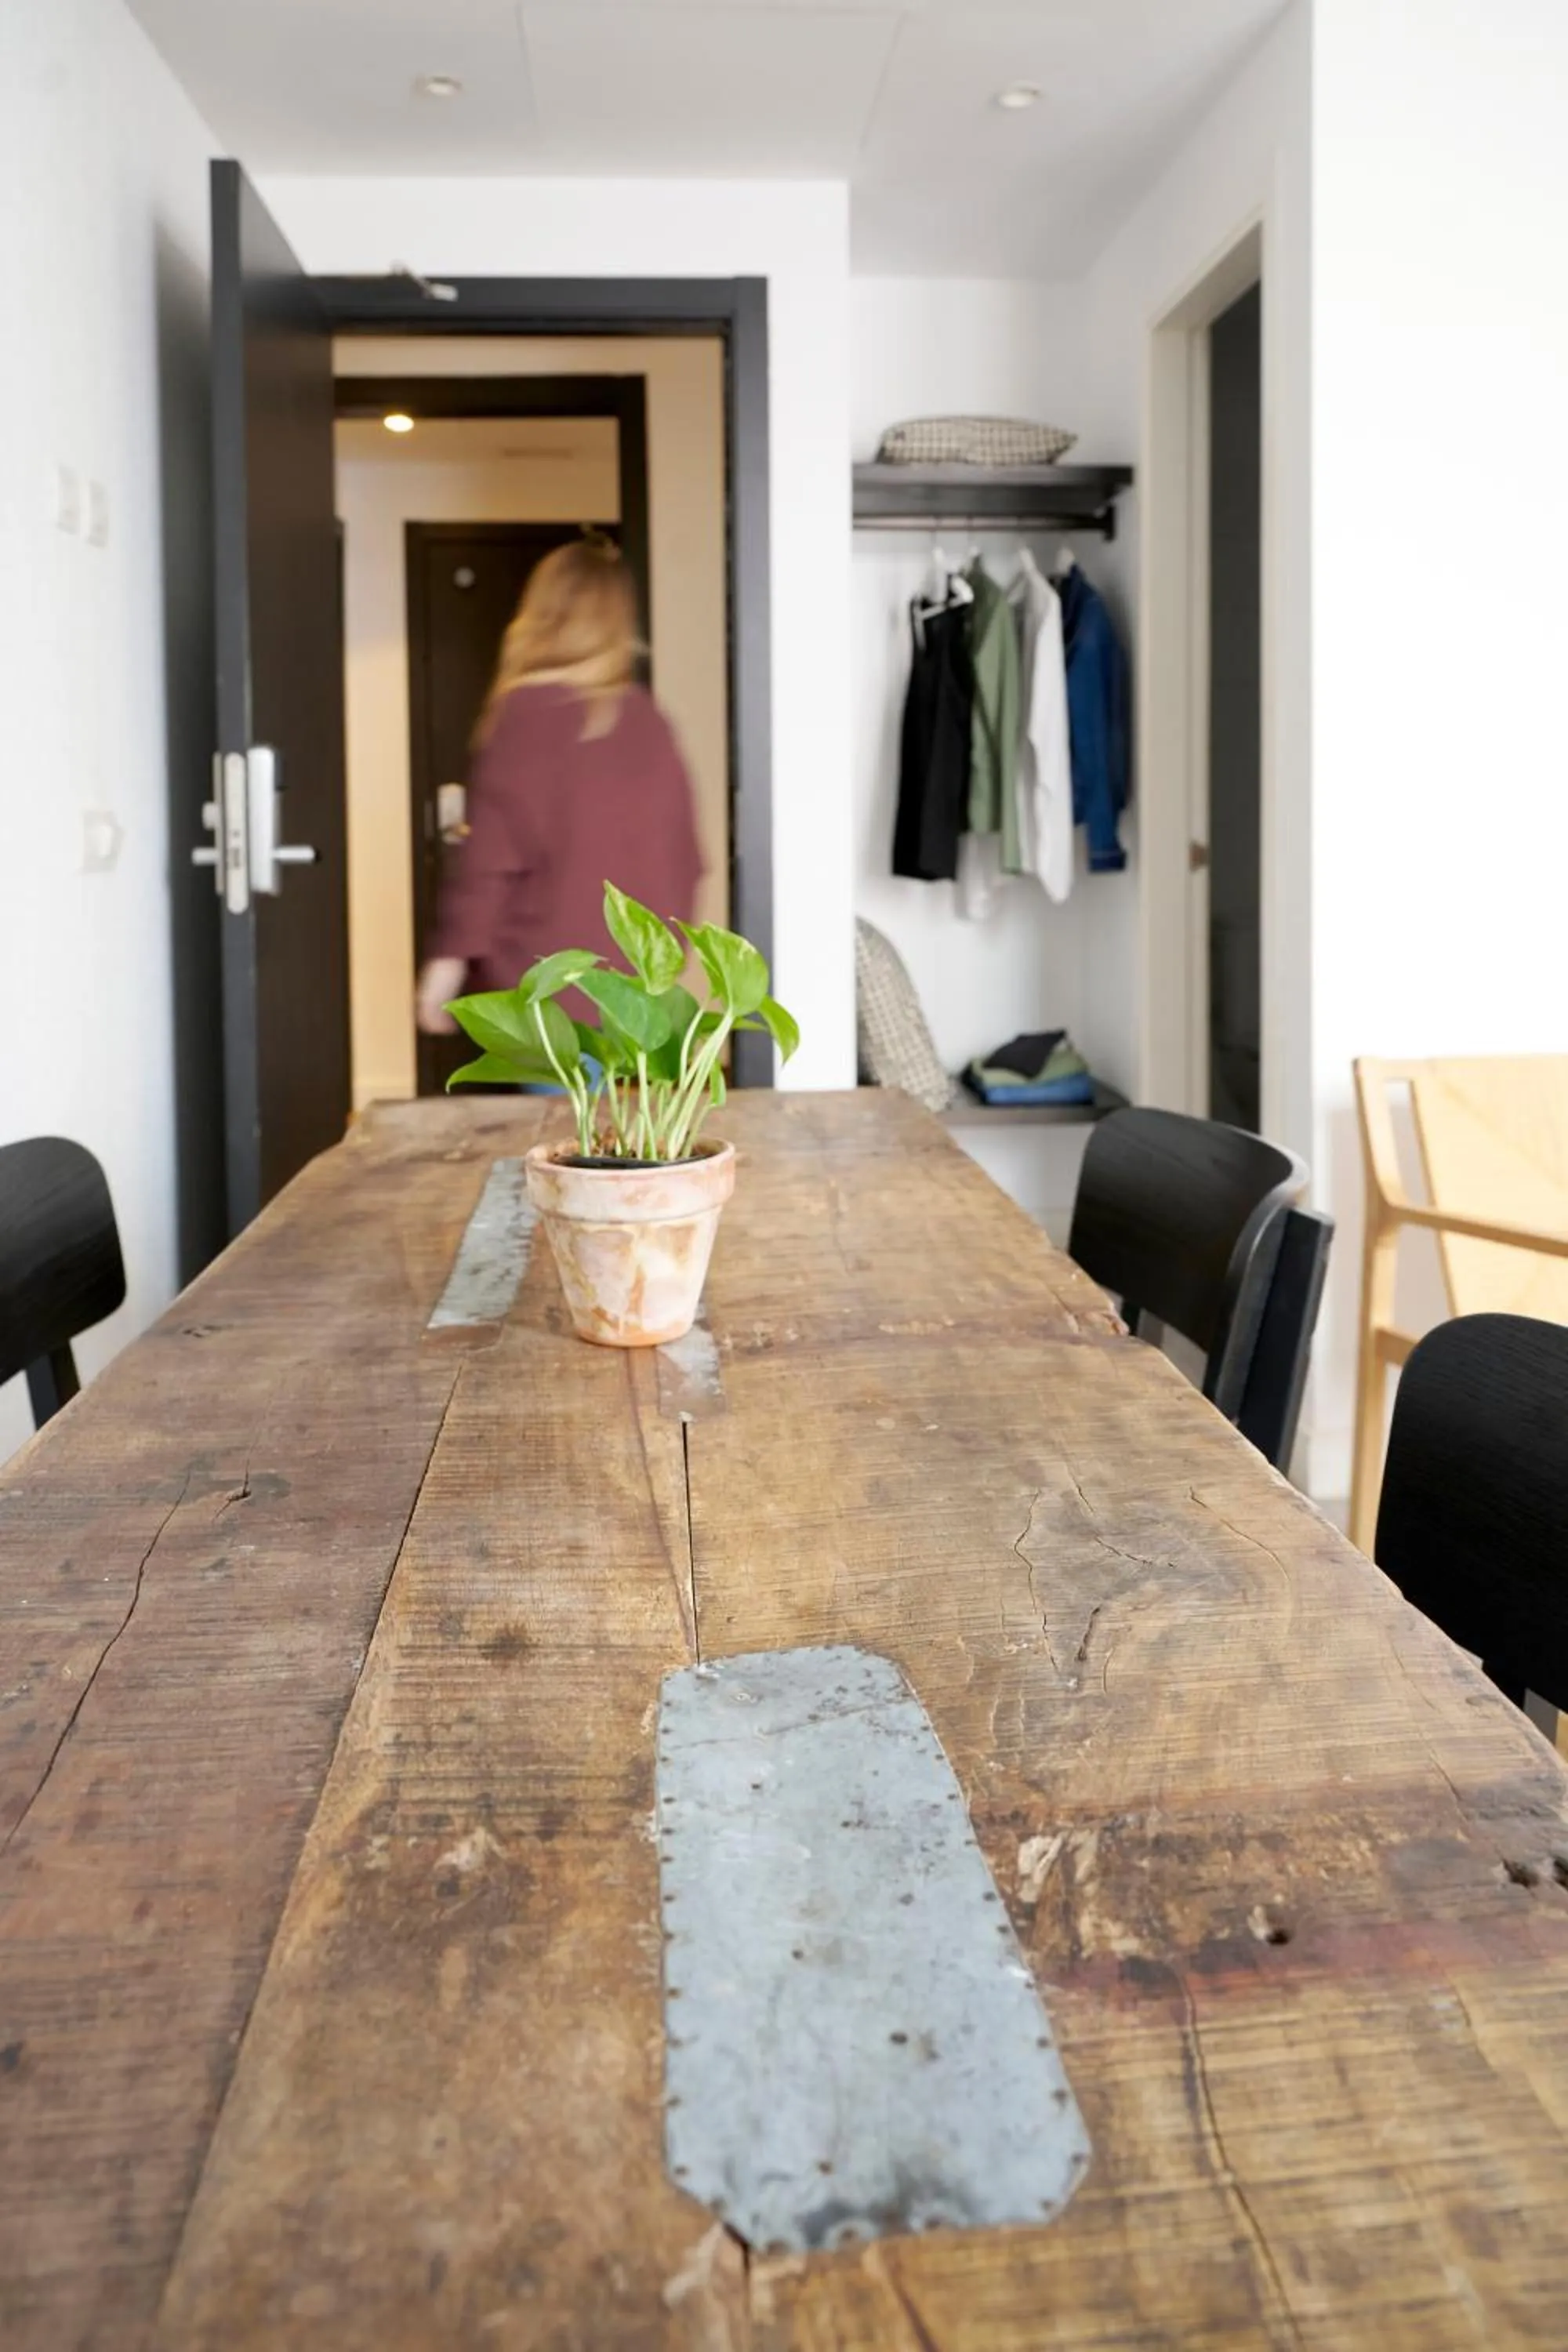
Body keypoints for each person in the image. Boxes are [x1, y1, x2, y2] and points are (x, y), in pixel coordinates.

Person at [416, 537, 703, 1036]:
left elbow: (488, 866)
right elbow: (687, 860)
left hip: (549, 997)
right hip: (641, 997)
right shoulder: (649, 720)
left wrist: (443, 974)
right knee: (624, 1116)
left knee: (559, 1114)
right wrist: (665, 967)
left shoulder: (521, 719)